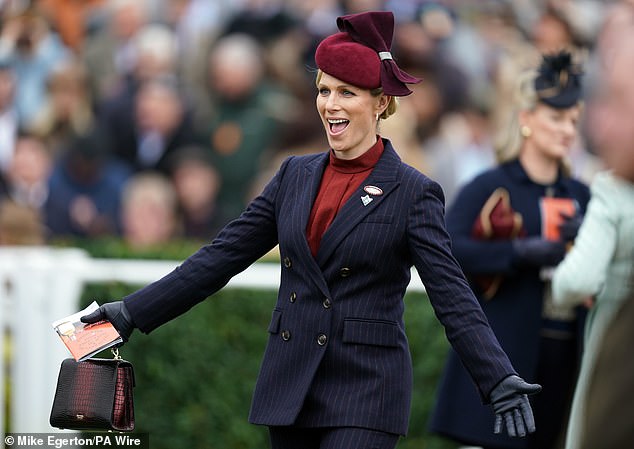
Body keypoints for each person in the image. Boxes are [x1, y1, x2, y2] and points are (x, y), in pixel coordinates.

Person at [82, 11, 539, 449]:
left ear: (381, 103)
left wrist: (496, 375)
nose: (330, 105)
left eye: (347, 92)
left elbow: (451, 294)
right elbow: (220, 258)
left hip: (366, 392)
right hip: (291, 384)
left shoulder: (414, 191)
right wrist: (132, 313)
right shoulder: (293, 176)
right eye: (324, 91)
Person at [429, 51, 591, 449]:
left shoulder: (584, 196)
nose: (567, 130)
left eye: (573, 120)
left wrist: (589, 238)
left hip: (567, 358)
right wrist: (516, 253)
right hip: (504, 356)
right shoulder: (490, 186)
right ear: (526, 120)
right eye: (556, 118)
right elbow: (444, 250)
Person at [551, 16, 634, 449]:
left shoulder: (610, 189)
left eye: (617, 102)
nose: (597, 128)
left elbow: (576, 281)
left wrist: (554, 268)